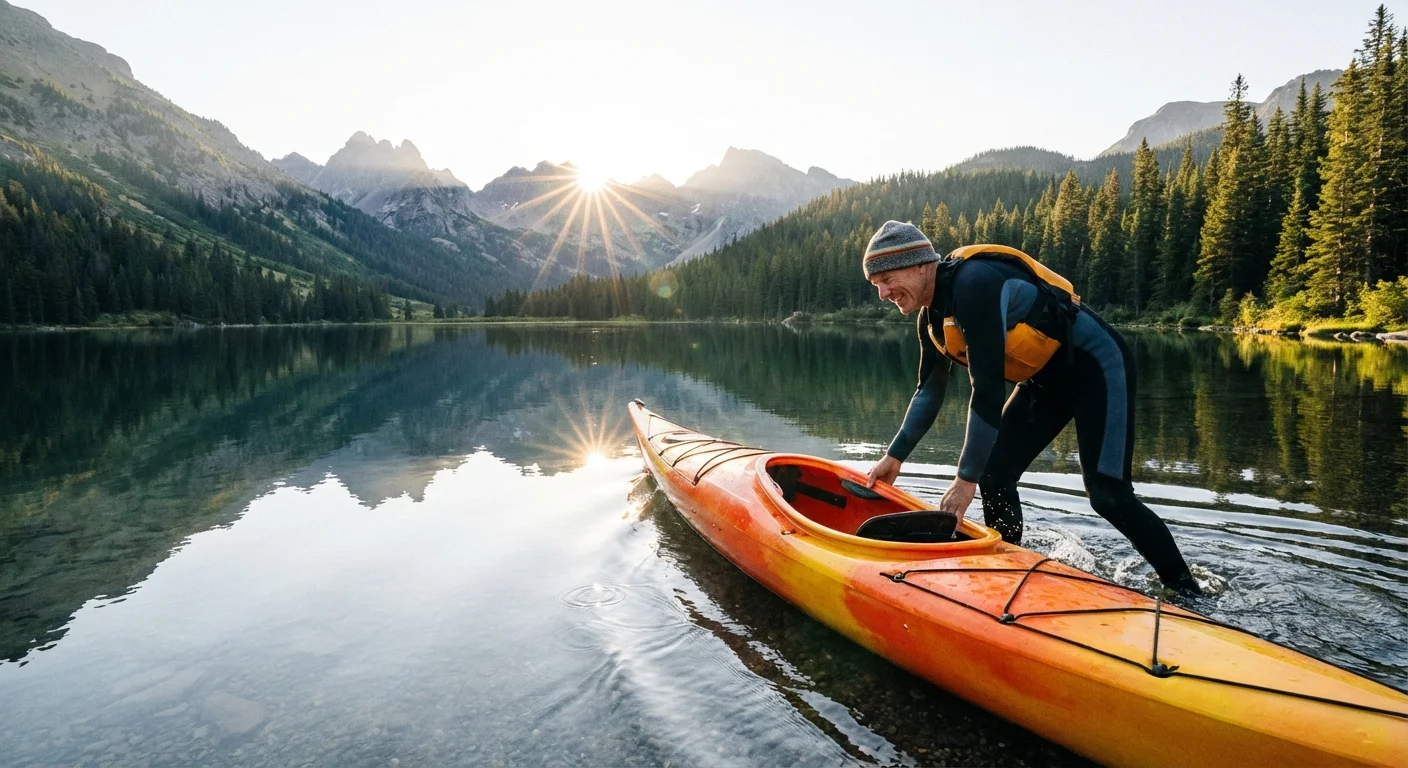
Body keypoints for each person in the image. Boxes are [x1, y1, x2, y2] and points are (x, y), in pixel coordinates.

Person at [860, 220, 1201, 595]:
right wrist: (894, 457)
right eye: (876, 283)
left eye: (887, 278)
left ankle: (1185, 592)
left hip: (1096, 366)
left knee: (1108, 494)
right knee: (994, 474)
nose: (883, 293)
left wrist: (963, 481)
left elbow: (987, 390)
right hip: (1044, 382)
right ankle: (1012, 570)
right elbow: (928, 391)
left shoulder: (973, 284)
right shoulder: (931, 321)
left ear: (921, 264)